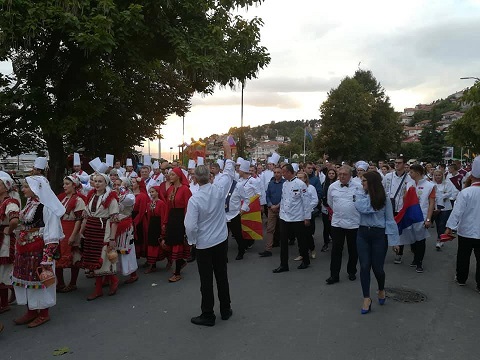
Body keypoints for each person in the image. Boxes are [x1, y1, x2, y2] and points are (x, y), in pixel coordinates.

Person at [185, 141, 234, 326]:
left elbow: (190, 225)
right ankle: (226, 308)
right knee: (222, 275)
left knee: (206, 280)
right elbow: (229, 173)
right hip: (221, 240)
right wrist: (228, 152)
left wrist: (192, 240)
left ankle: (208, 314)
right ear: (210, 176)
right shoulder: (219, 189)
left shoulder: (195, 199)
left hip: (204, 244)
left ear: (196, 179)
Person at [12, 176, 65, 327]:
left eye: (26, 187)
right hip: (25, 248)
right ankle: (31, 310)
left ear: (37, 188)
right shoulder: (30, 203)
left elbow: (52, 235)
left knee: (40, 280)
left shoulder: (46, 207)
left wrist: (47, 258)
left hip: (39, 250)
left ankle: (43, 313)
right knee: (27, 281)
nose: (23, 190)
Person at [354, 171, 399, 314]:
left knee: (378, 268)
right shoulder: (360, 193)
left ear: (372, 182)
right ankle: (366, 298)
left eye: (364, 181)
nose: (362, 184)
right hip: (363, 233)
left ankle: (381, 288)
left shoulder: (385, 198)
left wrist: (394, 241)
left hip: (379, 235)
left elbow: (390, 220)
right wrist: (370, 199)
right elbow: (362, 208)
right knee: (364, 266)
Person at [80, 173, 120, 300]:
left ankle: (111, 281)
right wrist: (82, 230)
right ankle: (101, 287)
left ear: (106, 183)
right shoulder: (91, 195)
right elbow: (86, 214)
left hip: (103, 230)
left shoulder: (111, 198)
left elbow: (114, 219)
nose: (97, 184)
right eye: (95, 181)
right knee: (93, 257)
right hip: (91, 229)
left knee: (102, 258)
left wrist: (112, 238)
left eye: (100, 181)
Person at [445, 156, 480, 291]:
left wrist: (449, 227)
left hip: (466, 231)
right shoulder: (466, 192)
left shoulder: (466, 192)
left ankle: (461, 278)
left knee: (463, 255)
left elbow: (457, 212)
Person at [325, 165, 362, 284]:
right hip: (337, 223)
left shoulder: (358, 186)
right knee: (336, 250)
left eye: (344, 174)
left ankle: (352, 271)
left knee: (353, 250)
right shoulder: (332, 186)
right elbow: (330, 202)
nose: (341, 176)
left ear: (350, 175)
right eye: (340, 174)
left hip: (354, 223)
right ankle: (334, 275)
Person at [273, 164, 311, 273]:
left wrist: (307, 217)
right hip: (284, 217)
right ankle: (283, 264)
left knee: (301, 240)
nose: (282, 174)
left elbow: (306, 202)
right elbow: (284, 199)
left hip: (297, 217)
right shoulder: (285, 184)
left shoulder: (300, 184)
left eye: (283, 172)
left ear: (289, 172)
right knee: (283, 242)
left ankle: (306, 260)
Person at [402, 164, 436, 273]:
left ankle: (419, 262)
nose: (409, 174)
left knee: (420, 240)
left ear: (417, 172)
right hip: (410, 216)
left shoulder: (430, 186)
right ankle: (415, 257)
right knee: (412, 239)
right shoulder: (409, 184)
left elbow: (431, 203)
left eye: (411, 172)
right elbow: (405, 200)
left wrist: (428, 219)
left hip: (421, 216)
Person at [56, 175, 85, 293]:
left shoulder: (78, 200)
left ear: (74, 185)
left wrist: (74, 235)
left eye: (67, 184)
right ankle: (61, 282)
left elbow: (79, 219)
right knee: (57, 254)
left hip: (71, 228)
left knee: (73, 256)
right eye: (64, 184)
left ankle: (73, 283)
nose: (64, 186)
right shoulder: (61, 198)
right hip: (60, 228)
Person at [165, 167, 192, 282]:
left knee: (178, 244)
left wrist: (187, 221)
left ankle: (177, 272)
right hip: (172, 217)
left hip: (181, 218)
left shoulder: (185, 189)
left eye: (172, 175)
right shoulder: (170, 189)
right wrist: (165, 221)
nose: (169, 176)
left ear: (178, 176)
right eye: (169, 175)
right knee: (171, 242)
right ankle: (180, 262)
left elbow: (188, 206)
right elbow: (167, 206)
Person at [382, 155, 411, 264]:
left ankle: (399, 253)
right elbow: (382, 189)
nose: (397, 164)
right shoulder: (388, 176)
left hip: (401, 208)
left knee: (399, 231)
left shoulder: (409, 178)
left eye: (399, 163)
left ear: (404, 164)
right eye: (396, 163)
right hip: (388, 207)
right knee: (385, 230)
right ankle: (382, 252)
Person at [0, 176, 20, 313]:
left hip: (4, 239)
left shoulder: (10, 202)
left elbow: (14, 220)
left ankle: (4, 303)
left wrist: (9, 230)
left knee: (3, 270)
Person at [113, 178, 138, 284]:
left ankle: (132, 273)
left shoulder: (130, 196)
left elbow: (126, 200)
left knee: (125, 250)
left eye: (119, 184)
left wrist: (121, 189)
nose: (116, 186)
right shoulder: (112, 195)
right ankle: (112, 274)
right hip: (114, 226)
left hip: (125, 226)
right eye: (115, 184)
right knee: (113, 250)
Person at [259, 166, 284, 257]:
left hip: (282, 209)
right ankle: (268, 249)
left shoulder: (285, 184)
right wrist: (270, 204)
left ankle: (283, 248)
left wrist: (278, 205)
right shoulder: (271, 184)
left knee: (283, 229)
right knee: (270, 229)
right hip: (271, 209)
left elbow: (285, 196)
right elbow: (267, 195)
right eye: (275, 172)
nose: (276, 174)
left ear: (282, 173)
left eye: (278, 172)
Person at [144, 185, 168, 273]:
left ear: (158, 192)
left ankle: (168, 260)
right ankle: (152, 264)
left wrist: (163, 227)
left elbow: (163, 215)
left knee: (159, 243)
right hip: (152, 225)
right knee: (151, 244)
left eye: (153, 192)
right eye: (150, 192)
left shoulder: (161, 203)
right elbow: (149, 216)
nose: (151, 194)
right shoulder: (149, 203)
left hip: (158, 225)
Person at [296, 171, 319, 260]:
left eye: (301, 177)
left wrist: (307, 208)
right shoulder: (295, 187)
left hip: (308, 213)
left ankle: (312, 249)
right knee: (299, 235)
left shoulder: (311, 188)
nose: (299, 179)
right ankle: (302, 253)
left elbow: (315, 200)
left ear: (305, 178)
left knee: (308, 234)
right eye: (297, 177)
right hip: (298, 214)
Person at [432, 169, 455, 250]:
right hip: (436, 207)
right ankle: (440, 236)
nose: (437, 177)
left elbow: (450, 193)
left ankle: (439, 239)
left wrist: (441, 196)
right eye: (436, 175)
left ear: (442, 176)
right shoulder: (432, 184)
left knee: (442, 223)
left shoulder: (447, 184)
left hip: (446, 207)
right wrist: (440, 196)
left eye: (439, 175)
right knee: (438, 224)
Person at [320, 168, 337, 252]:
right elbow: (322, 194)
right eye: (329, 173)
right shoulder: (324, 184)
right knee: (326, 227)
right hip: (325, 208)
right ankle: (325, 243)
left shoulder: (338, 184)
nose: (331, 175)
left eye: (333, 173)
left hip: (335, 209)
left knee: (333, 227)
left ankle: (336, 242)